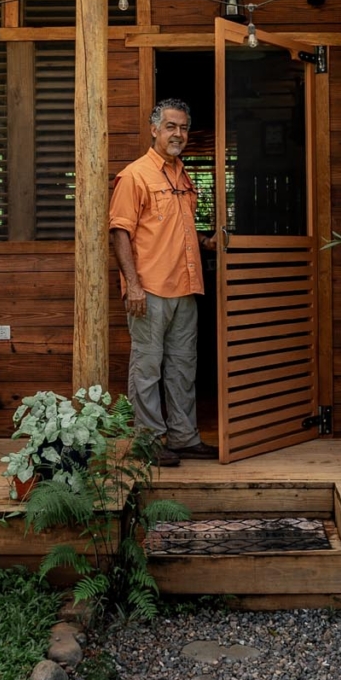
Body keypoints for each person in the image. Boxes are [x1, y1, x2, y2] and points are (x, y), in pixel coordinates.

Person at [108, 97, 210, 464]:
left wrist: (206, 241)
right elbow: (119, 232)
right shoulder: (135, 175)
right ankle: (149, 442)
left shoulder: (183, 175)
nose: (178, 134)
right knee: (147, 368)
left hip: (186, 288)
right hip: (149, 289)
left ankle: (184, 437)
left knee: (183, 367)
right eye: (171, 126)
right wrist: (132, 286)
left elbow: (177, 231)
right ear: (154, 129)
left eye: (183, 127)